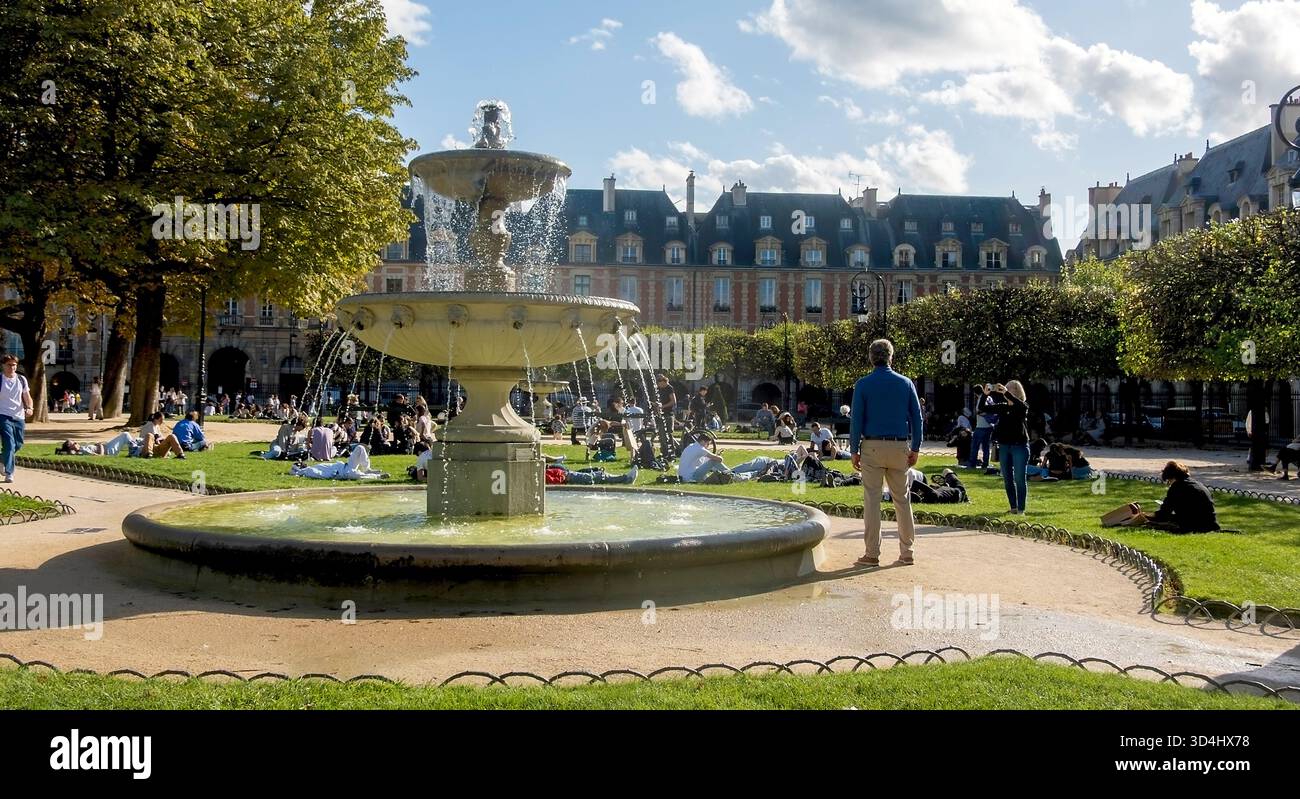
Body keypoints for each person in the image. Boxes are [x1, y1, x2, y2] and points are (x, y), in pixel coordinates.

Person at [849, 339, 922, 567]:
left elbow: (856, 421)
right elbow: (917, 419)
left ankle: (872, 553)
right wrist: (916, 447)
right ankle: (907, 552)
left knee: (872, 500)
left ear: (871, 358)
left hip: (871, 446)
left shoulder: (863, 384)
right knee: (902, 499)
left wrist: (853, 450)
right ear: (891, 357)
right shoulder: (906, 383)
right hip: (899, 445)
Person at [981, 381, 1030, 514]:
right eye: (1006, 387)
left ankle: (1021, 509)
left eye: (1009, 388)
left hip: (1019, 446)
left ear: (1017, 391)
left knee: (1019, 478)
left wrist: (1006, 393)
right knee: (1007, 479)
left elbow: (1022, 407)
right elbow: (982, 408)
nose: (1006, 389)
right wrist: (985, 395)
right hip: (1004, 446)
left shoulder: (1021, 407)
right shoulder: (1003, 407)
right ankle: (1013, 507)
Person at [1139, 461, 1220, 533]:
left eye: (1168, 481)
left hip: (1196, 526)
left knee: (1153, 523)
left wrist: (1145, 516)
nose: (1169, 484)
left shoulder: (1177, 487)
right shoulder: (1198, 484)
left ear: (1172, 477)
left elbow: (1164, 513)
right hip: (1210, 523)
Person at [0, 355, 33, 483]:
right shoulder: (0, 379)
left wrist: (30, 407)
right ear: (3, 365)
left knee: (18, 444)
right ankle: (9, 473)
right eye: (9, 365)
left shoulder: (21, 379)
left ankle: (2, 459)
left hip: (19, 416)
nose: (12, 367)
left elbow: (27, 396)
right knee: (9, 444)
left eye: (14, 365)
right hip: (3, 416)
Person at [55, 431, 143, 456]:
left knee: (134, 439)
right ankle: (134, 451)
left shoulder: (81, 449)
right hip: (108, 451)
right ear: (71, 448)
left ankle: (137, 447)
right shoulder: (82, 450)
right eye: (74, 443)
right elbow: (99, 455)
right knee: (125, 435)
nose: (76, 442)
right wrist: (100, 445)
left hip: (106, 446)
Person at [968, 385, 994, 469]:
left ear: (975, 393)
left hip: (981, 425)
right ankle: (985, 463)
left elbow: (979, 411)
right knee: (986, 446)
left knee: (975, 445)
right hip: (989, 425)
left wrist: (981, 413)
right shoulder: (989, 398)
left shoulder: (981, 399)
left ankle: (972, 463)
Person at [656, 374, 677, 456]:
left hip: (668, 414)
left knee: (668, 433)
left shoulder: (669, 388)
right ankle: (664, 452)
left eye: (659, 383)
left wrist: (663, 406)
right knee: (661, 435)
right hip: (661, 414)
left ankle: (671, 452)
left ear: (663, 381)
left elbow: (673, 401)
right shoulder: (660, 389)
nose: (658, 385)